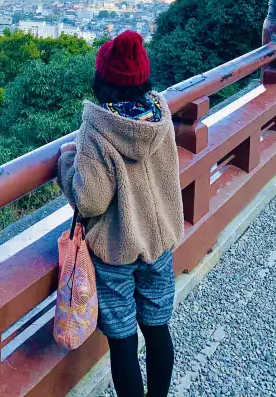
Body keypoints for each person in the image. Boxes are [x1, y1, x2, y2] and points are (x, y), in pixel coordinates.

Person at [58, 30, 183, 397]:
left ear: (103, 80)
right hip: (159, 243)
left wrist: (67, 162)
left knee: (124, 344)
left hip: (116, 250)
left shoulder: (98, 128)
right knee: (158, 332)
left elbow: (91, 200)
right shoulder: (160, 113)